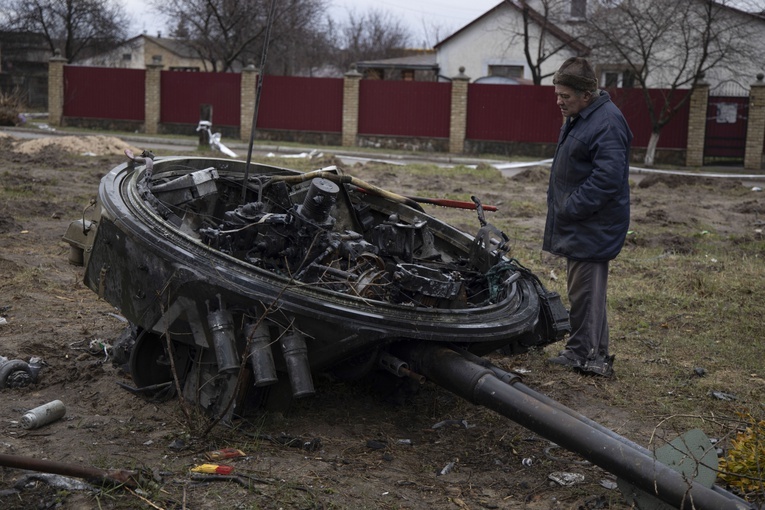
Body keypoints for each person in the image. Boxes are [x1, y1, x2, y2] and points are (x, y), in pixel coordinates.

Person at [544, 57, 633, 377]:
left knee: (585, 292)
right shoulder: (582, 117)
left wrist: (571, 207)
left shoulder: (606, 122)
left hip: (592, 224)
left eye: (565, 96)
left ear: (586, 94)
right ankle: (593, 353)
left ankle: (584, 355)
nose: (559, 101)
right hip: (585, 223)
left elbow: (608, 179)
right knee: (586, 292)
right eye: (557, 94)